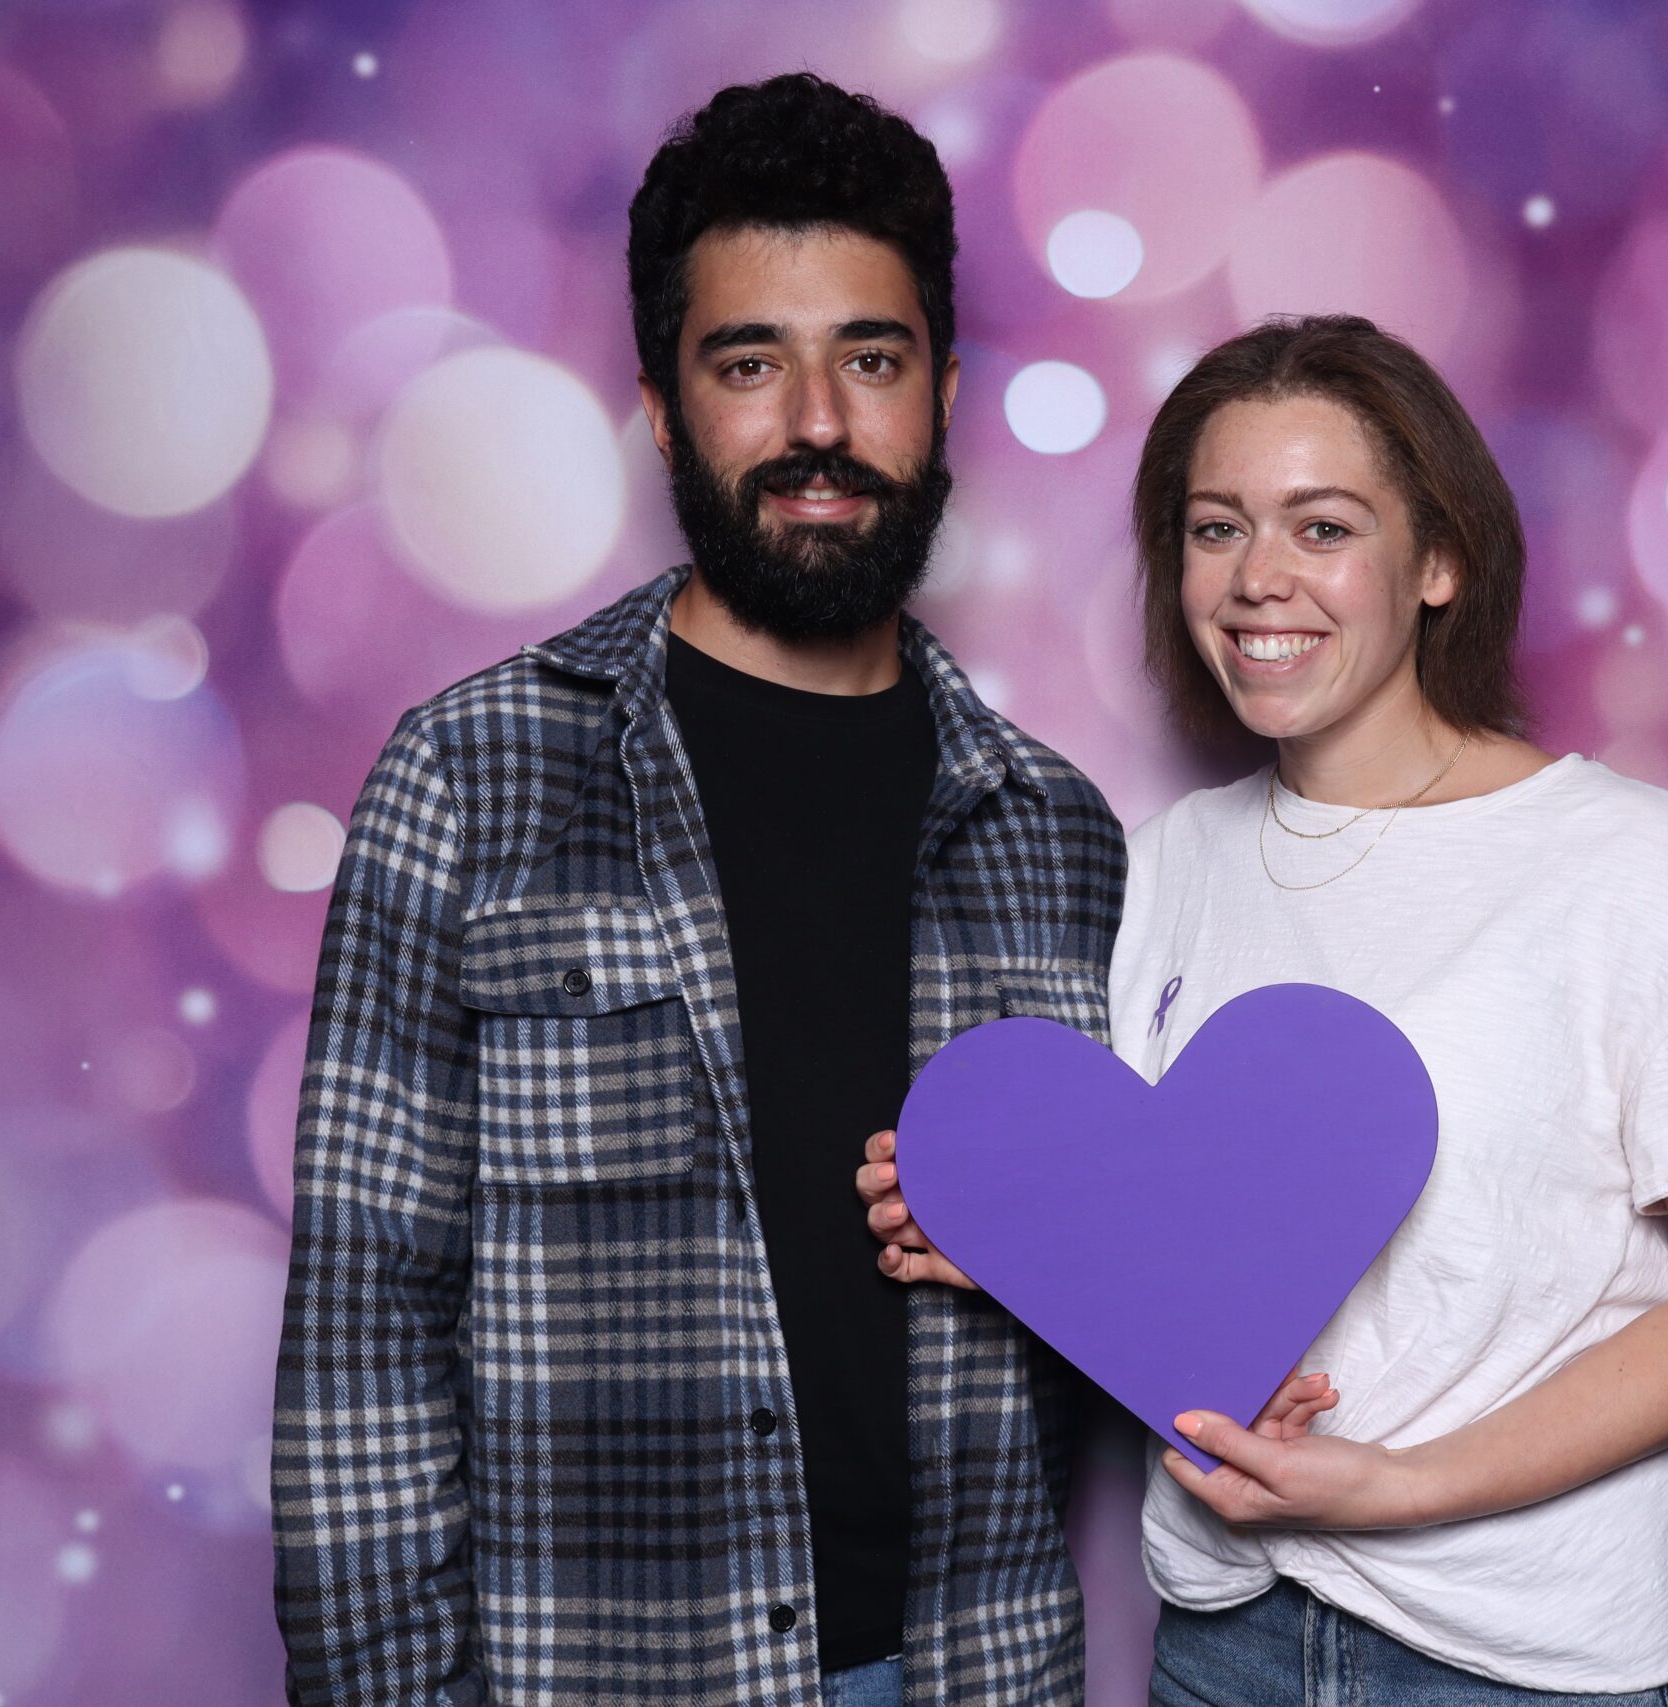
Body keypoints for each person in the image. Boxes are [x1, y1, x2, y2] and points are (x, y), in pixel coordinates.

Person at [274, 74, 1123, 1707]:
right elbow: (361, 1344)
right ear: (665, 411)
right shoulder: (471, 783)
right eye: (749, 364)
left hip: (972, 1672)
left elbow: (1113, 1308)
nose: (818, 424)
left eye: (870, 359)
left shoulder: (1057, 833)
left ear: (944, 393)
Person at [864, 315, 1668, 1704]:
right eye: (1216, 529)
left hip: (1516, 1668)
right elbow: (1199, 1239)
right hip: (1224, 1646)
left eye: (1322, 528)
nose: (1257, 578)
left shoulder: (1632, 863)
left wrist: (1399, 1483)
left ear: (1438, 561)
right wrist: (1025, 1240)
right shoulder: (1169, 862)